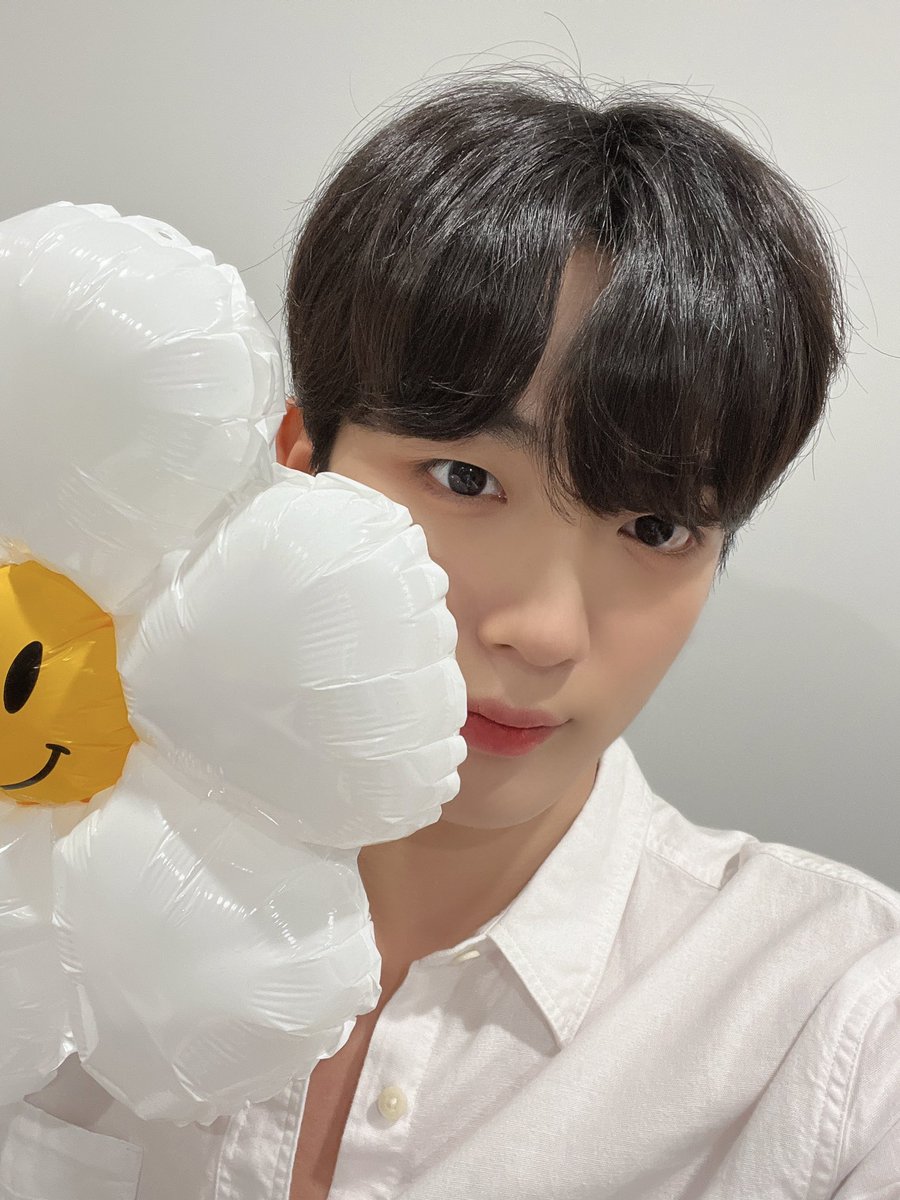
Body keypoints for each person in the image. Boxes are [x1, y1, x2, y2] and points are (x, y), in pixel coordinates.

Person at [13, 70, 900, 1200]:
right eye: (466, 478)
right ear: (298, 464)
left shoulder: (837, 1031)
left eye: (656, 526)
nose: (544, 632)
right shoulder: (41, 879)